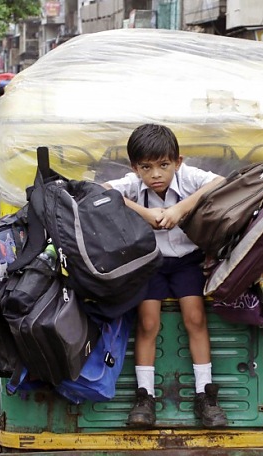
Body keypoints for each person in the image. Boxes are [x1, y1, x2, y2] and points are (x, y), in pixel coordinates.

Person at [103, 124, 228, 428]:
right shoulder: (133, 184)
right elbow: (102, 191)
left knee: (195, 318)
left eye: (163, 165)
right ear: (136, 168)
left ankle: (205, 395)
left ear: (178, 162)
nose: (156, 174)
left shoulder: (188, 178)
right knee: (147, 323)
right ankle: (145, 397)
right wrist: (141, 212)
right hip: (150, 263)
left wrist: (182, 208)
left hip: (187, 261)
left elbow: (223, 181)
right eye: (146, 167)